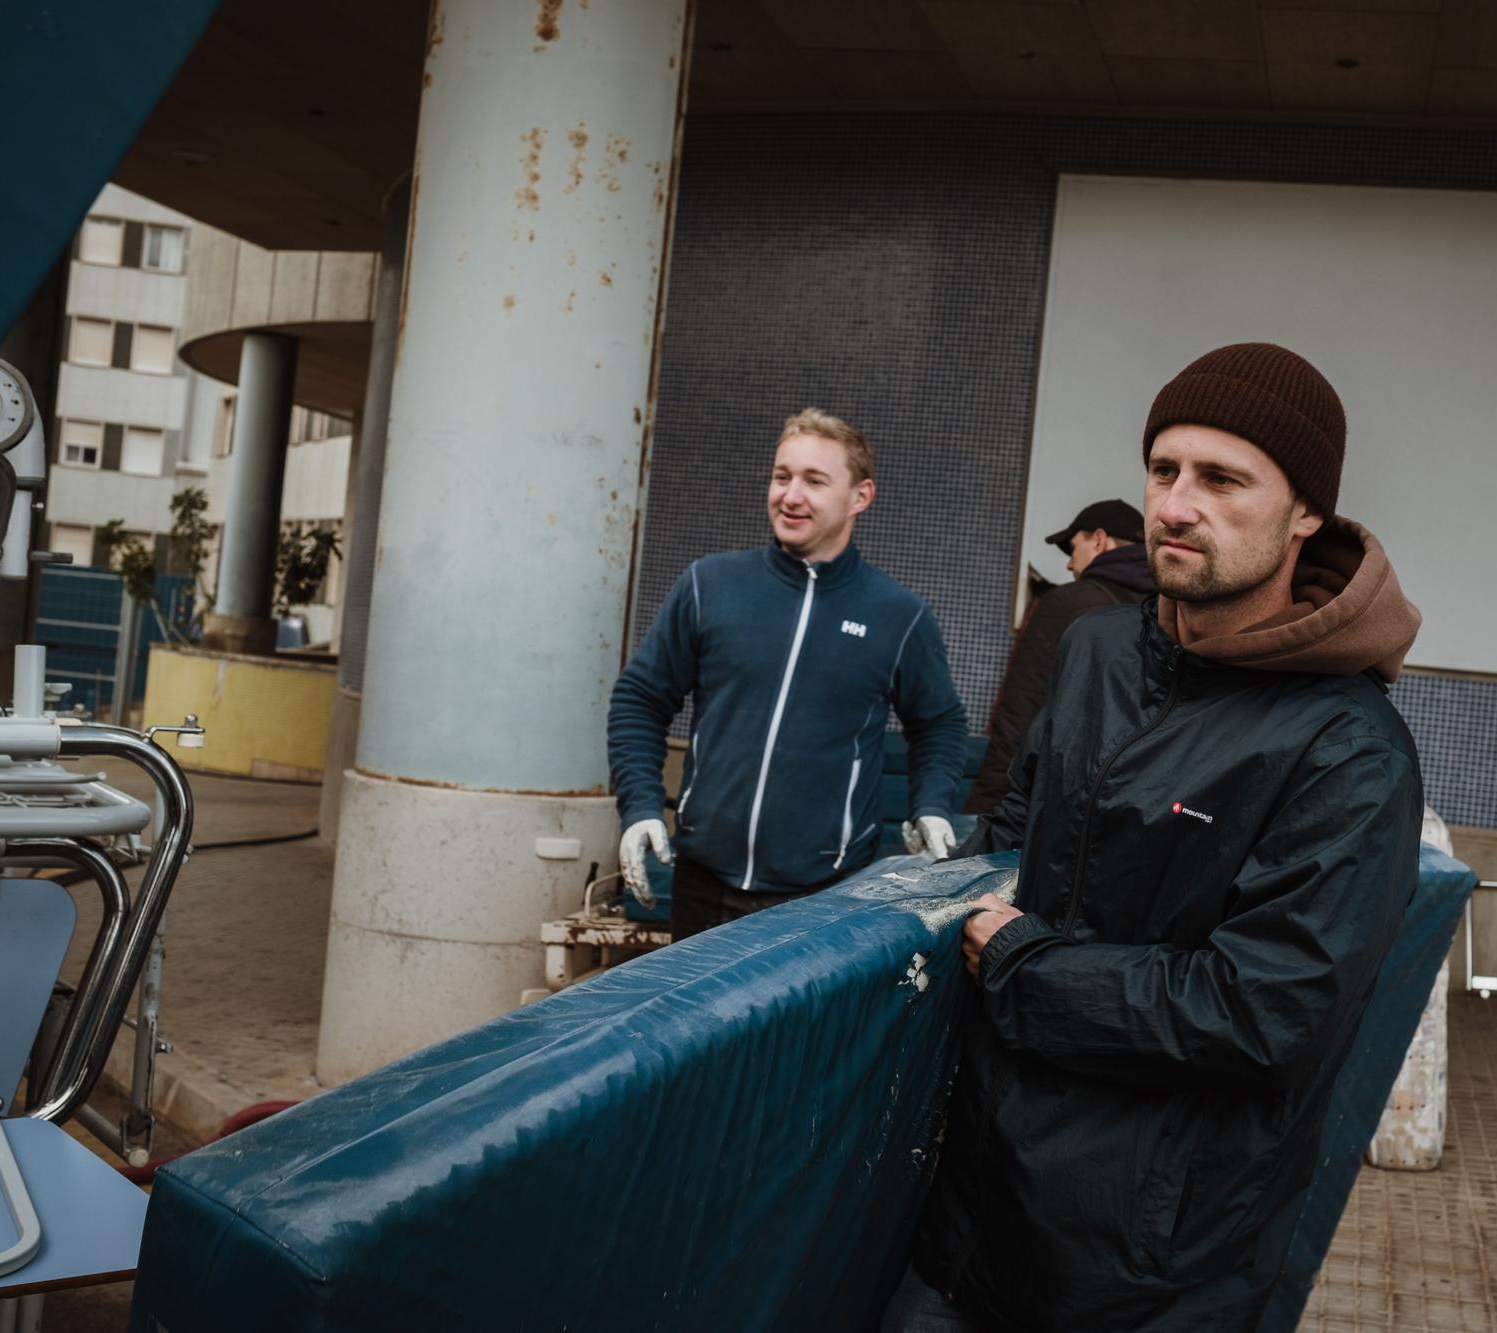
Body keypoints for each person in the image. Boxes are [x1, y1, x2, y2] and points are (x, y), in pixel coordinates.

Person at [889, 344, 1425, 1331]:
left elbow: (1261, 1010)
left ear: (1306, 512)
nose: (1175, 505)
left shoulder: (1347, 751)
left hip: (1148, 1267)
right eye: (1163, 470)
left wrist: (1018, 962)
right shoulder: (1093, 649)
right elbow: (1023, 828)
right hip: (971, 1217)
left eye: (1222, 480)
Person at [606, 408, 967, 940]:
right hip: (703, 884)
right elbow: (640, 698)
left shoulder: (898, 614)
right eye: (782, 476)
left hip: (826, 896)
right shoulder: (711, 585)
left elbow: (939, 722)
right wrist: (639, 805)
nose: (790, 495)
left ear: (860, 497)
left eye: (814, 481)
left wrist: (932, 805)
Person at [964, 498, 1155, 813]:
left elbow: (1021, 711)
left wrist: (985, 808)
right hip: (1128, 807)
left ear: (1099, 540)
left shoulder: (1067, 603)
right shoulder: (1170, 611)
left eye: (1072, 548)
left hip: (1052, 805)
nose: (1069, 564)